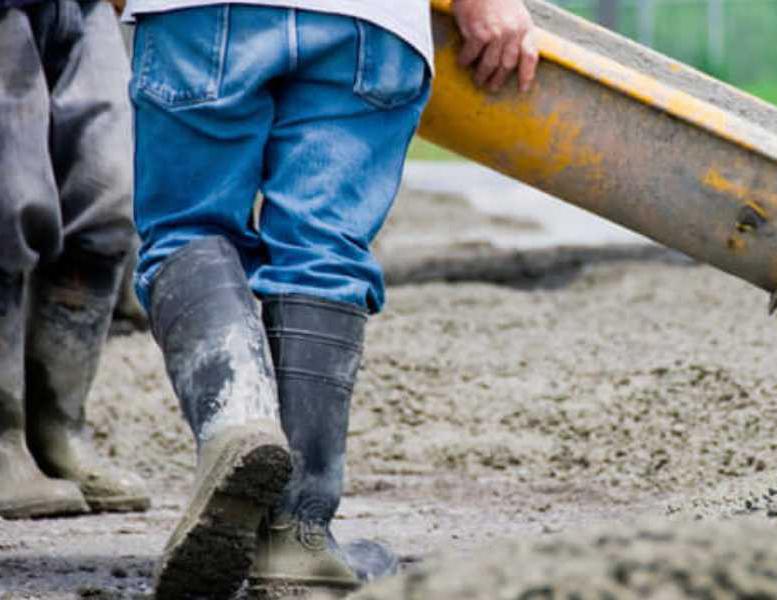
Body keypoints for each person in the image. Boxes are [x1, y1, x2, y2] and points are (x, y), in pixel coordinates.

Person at [122, 0, 538, 596]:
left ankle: (237, 423)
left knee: (190, 231)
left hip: (197, 15)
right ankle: (297, 532)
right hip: (367, 20)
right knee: (322, 253)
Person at [0, 0, 151, 519]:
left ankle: (59, 428)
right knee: (9, 199)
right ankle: (4, 436)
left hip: (85, 7)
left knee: (109, 196)